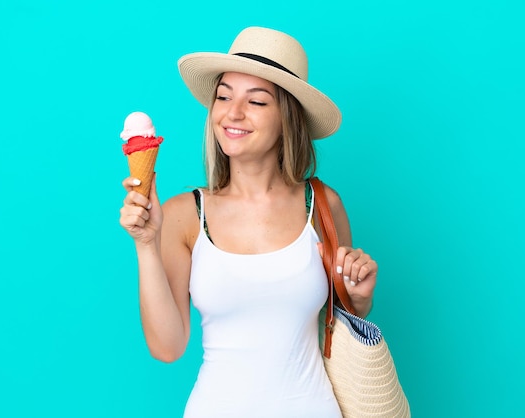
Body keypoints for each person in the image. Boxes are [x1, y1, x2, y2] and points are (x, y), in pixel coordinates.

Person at [119, 26, 378, 418]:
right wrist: (145, 245)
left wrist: (358, 299)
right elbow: (168, 347)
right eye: (223, 96)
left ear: (287, 117)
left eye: (256, 101)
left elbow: (340, 323)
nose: (232, 113)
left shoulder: (323, 206)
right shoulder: (183, 214)